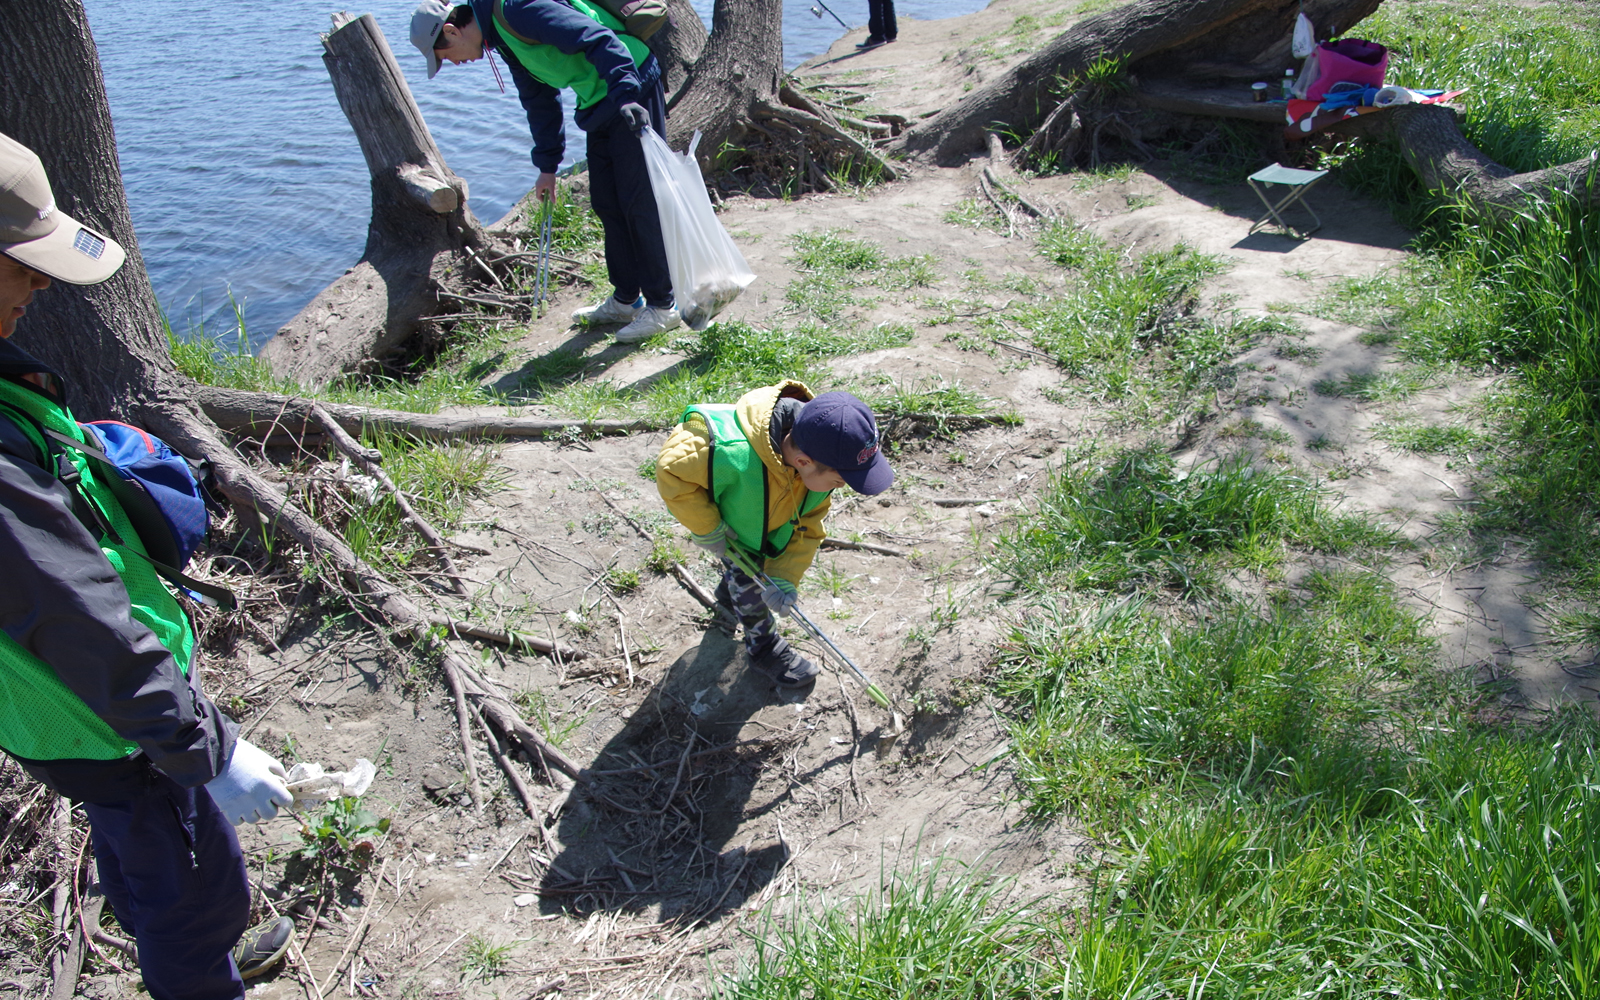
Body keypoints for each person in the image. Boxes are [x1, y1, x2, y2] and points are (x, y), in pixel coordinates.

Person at [0, 132, 294, 1000]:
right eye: (21, 262)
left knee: (143, 849)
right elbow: (75, 616)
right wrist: (200, 746)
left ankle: (185, 949)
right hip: (111, 720)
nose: (40, 282)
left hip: (72, 721)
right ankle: (196, 964)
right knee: (198, 888)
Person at [410, 0, 679, 343]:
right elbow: (539, 98)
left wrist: (626, 96)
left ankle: (663, 305)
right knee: (607, 203)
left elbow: (597, 38)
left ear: (451, 31)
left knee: (638, 200)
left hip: (630, 85)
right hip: (598, 99)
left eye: (445, 56)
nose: (453, 63)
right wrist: (547, 167)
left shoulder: (518, 9)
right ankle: (626, 299)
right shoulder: (501, 37)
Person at [655, 381, 894, 686]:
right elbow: (671, 470)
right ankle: (763, 649)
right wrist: (708, 527)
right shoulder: (727, 448)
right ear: (804, 462)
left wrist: (783, 576)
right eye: (839, 481)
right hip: (736, 530)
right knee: (750, 584)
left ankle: (728, 592)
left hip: (764, 530)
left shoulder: (816, 468)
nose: (842, 487)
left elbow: (808, 526)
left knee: (749, 578)